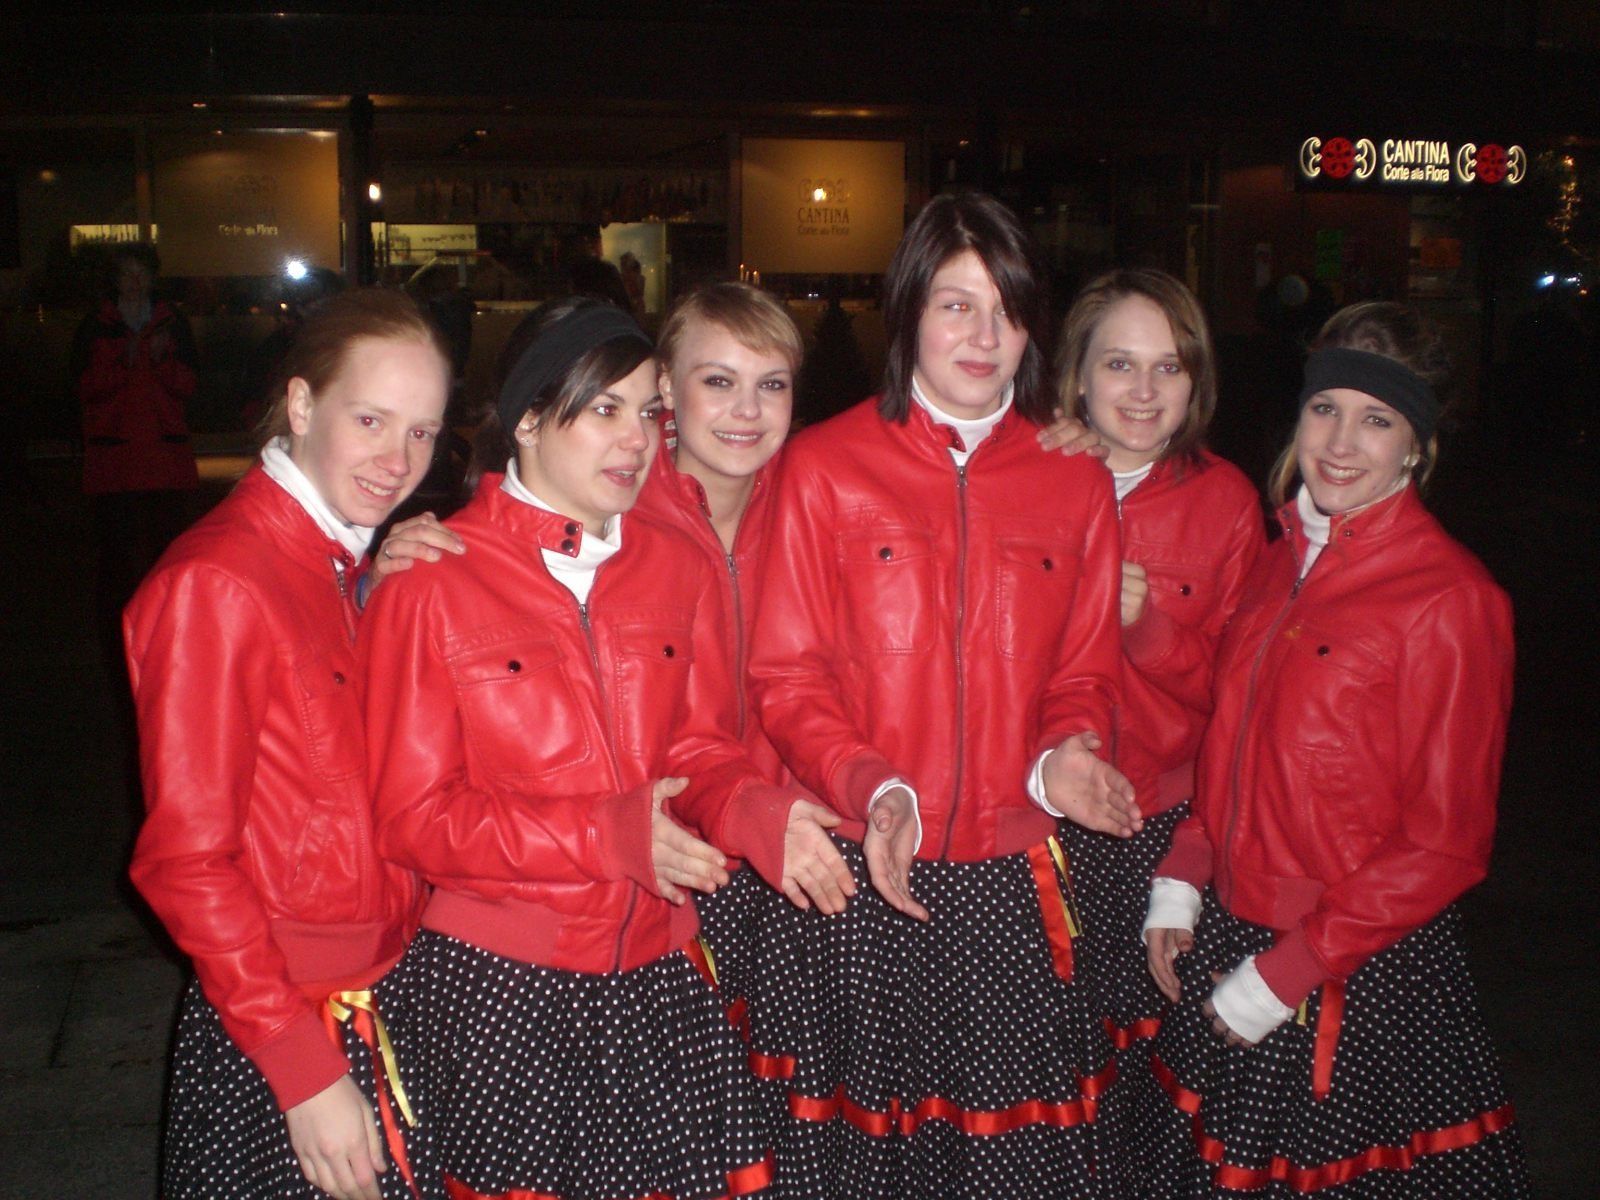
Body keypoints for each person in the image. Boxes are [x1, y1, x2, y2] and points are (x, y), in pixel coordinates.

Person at [359, 298, 844, 1200]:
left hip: (658, 971)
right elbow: (413, 820)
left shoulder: (674, 566)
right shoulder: (432, 583)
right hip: (505, 990)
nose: (637, 441)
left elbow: (698, 748)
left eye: (649, 412)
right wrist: (606, 835)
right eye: (605, 409)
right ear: (529, 419)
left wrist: (756, 812)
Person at [745, 191, 1140, 1198]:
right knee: (860, 1164)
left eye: (1007, 310)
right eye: (956, 305)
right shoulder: (822, 467)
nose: (983, 336)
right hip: (862, 862)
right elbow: (786, 675)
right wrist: (874, 786)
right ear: (908, 310)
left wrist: (1064, 761)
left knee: (1006, 1161)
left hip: (1011, 876)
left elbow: (1084, 673)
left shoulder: (1074, 481)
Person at [1137, 302, 1531, 1196]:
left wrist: (1287, 975)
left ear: (1417, 446)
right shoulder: (1279, 561)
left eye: (1377, 420)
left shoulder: (1453, 601)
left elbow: (1446, 844)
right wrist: (1183, 878)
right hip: (1234, 933)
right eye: (1326, 409)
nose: (1342, 443)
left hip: (1351, 966)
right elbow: (1233, 744)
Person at [124, 289, 456, 1200]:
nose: (398, 461)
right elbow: (185, 861)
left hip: (376, 986)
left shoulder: (337, 559)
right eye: (370, 420)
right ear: (302, 405)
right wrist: (301, 1068)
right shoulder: (220, 583)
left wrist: (375, 593)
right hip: (288, 1017)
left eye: (423, 433)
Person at [1053, 270, 1264, 1074]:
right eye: (1119, 364)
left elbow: (1242, 699)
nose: (1144, 392)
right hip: (1036, 813)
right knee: (1046, 1061)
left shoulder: (1226, 501)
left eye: (1168, 367)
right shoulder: (1026, 476)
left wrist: (1144, 629)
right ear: (1077, 375)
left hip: (1160, 820)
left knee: (1148, 1066)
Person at [636, 283, 857, 1019]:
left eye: (772, 385)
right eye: (718, 381)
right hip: (668, 858)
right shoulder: (614, 509)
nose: (748, 410)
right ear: (666, 385)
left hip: (801, 844)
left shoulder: (818, 497)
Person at [71, 244, 200, 690]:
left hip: (163, 456)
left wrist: (162, 360)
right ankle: (117, 631)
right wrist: (121, 364)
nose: (135, 283)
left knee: (168, 548)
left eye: (141, 274)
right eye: (127, 274)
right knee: (116, 556)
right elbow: (82, 389)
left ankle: (170, 623)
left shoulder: (172, 323)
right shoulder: (96, 325)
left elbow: (190, 387)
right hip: (116, 459)